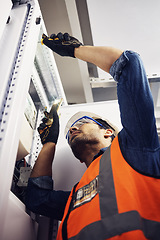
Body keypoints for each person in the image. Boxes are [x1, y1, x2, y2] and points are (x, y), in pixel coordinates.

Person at [26, 32, 160, 240]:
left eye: (80, 123)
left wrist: (74, 50)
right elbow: (37, 199)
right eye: (69, 135)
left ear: (108, 132)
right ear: (79, 159)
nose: (71, 131)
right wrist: (49, 143)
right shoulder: (77, 194)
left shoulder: (135, 148)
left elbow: (128, 64)